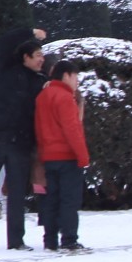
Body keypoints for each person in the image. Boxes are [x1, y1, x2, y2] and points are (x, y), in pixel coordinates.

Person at [0, 29, 45, 251]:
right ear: (25, 57)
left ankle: (16, 240)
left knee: (16, 193)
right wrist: (29, 33)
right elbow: (5, 40)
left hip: (20, 143)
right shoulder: (8, 70)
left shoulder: (40, 82)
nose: (41, 60)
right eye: (37, 55)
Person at [35, 60, 91, 251]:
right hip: (67, 156)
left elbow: (39, 128)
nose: (77, 82)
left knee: (52, 199)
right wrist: (83, 156)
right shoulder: (66, 98)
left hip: (49, 156)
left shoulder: (43, 96)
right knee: (69, 200)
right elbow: (72, 129)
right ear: (66, 75)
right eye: (75, 77)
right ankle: (69, 239)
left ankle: (49, 239)